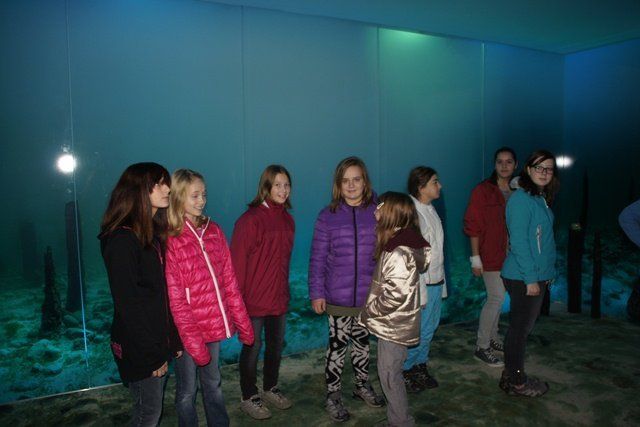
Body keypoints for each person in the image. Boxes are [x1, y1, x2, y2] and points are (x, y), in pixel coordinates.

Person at [165, 169, 254, 427]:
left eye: (203, 194)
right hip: (186, 331)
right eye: (194, 196)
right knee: (187, 391)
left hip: (212, 326)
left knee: (213, 382)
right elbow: (176, 300)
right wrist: (193, 342)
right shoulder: (171, 239)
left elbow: (229, 282)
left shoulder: (214, 230)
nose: (202, 200)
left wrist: (244, 324)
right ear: (178, 197)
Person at [99, 162, 182, 427]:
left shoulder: (150, 235)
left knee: (149, 410)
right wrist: (152, 356)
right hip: (140, 347)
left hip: (155, 342)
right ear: (138, 191)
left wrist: (172, 340)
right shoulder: (122, 241)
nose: (167, 189)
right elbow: (129, 306)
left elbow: (160, 296)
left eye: (166, 183)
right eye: (158, 184)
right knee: (148, 414)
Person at [308, 156, 385, 422]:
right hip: (337, 298)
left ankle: (362, 385)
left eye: (356, 179)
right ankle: (333, 394)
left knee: (363, 345)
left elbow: (387, 251)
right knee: (337, 347)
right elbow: (317, 258)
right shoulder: (327, 216)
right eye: (345, 181)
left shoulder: (378, 212)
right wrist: (317, 293)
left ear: (365, 182)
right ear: (338, 185)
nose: (351, 185)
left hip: (366, 297)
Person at [359, 192, 431, 427]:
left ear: (392, 213)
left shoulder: (398, 251)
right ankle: (398, 419)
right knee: (391, 372)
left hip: (393, 326)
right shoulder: (403, 242)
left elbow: (395, 295)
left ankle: (401, 421)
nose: (375, 210)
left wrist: (369, 310)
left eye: (380, 206)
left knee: (389, 375)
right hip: (397, 323)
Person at [230, 165, 295, 420]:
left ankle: (270, 387)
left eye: (286, 185)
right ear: (265, 187)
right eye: (277, 185)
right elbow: (237, 265)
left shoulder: (288, 221)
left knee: (275, 347)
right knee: (252, 348)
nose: (283, 190)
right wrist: (237, 303)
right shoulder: (250, 220)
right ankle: (249, 396)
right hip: (254, 301)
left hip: (279, 298)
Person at [500, 150, 559, 397]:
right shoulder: (521, 200)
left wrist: (547, 271)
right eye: (539, 167)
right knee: (519, 331)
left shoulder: (538, 198)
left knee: (521, 328)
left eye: (549, 168)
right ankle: (517, 382)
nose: (544, 172)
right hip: (523, 276)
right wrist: (531, 279)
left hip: (534, 273)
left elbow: (543, 240)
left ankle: (509, 376)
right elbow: (520, 243)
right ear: (528, 169)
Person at [463, 147, 517, 367]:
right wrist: (475, 258)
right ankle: (482, 346)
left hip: (513, 256)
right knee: (496, 298)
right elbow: (473, 225)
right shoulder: (483, 191)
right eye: (500, 162)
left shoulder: (519, 191)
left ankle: (493, 338)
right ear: (494, 165)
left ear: (515, 165)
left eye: (508, 162)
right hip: (490, 254)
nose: (504, 166)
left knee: (499, 299)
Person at [402, 166, 447, 393]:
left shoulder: (430, 209)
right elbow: (411, 258)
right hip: (421, 284)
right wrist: (418, 291)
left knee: (430, 328)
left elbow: (437, 251)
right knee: (417, 331)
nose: (439, 186)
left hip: (435, 281)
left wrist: (442, 283)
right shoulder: (412, 214)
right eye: (435, 182)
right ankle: (405, 370)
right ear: (421, 187)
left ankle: (420, 365)